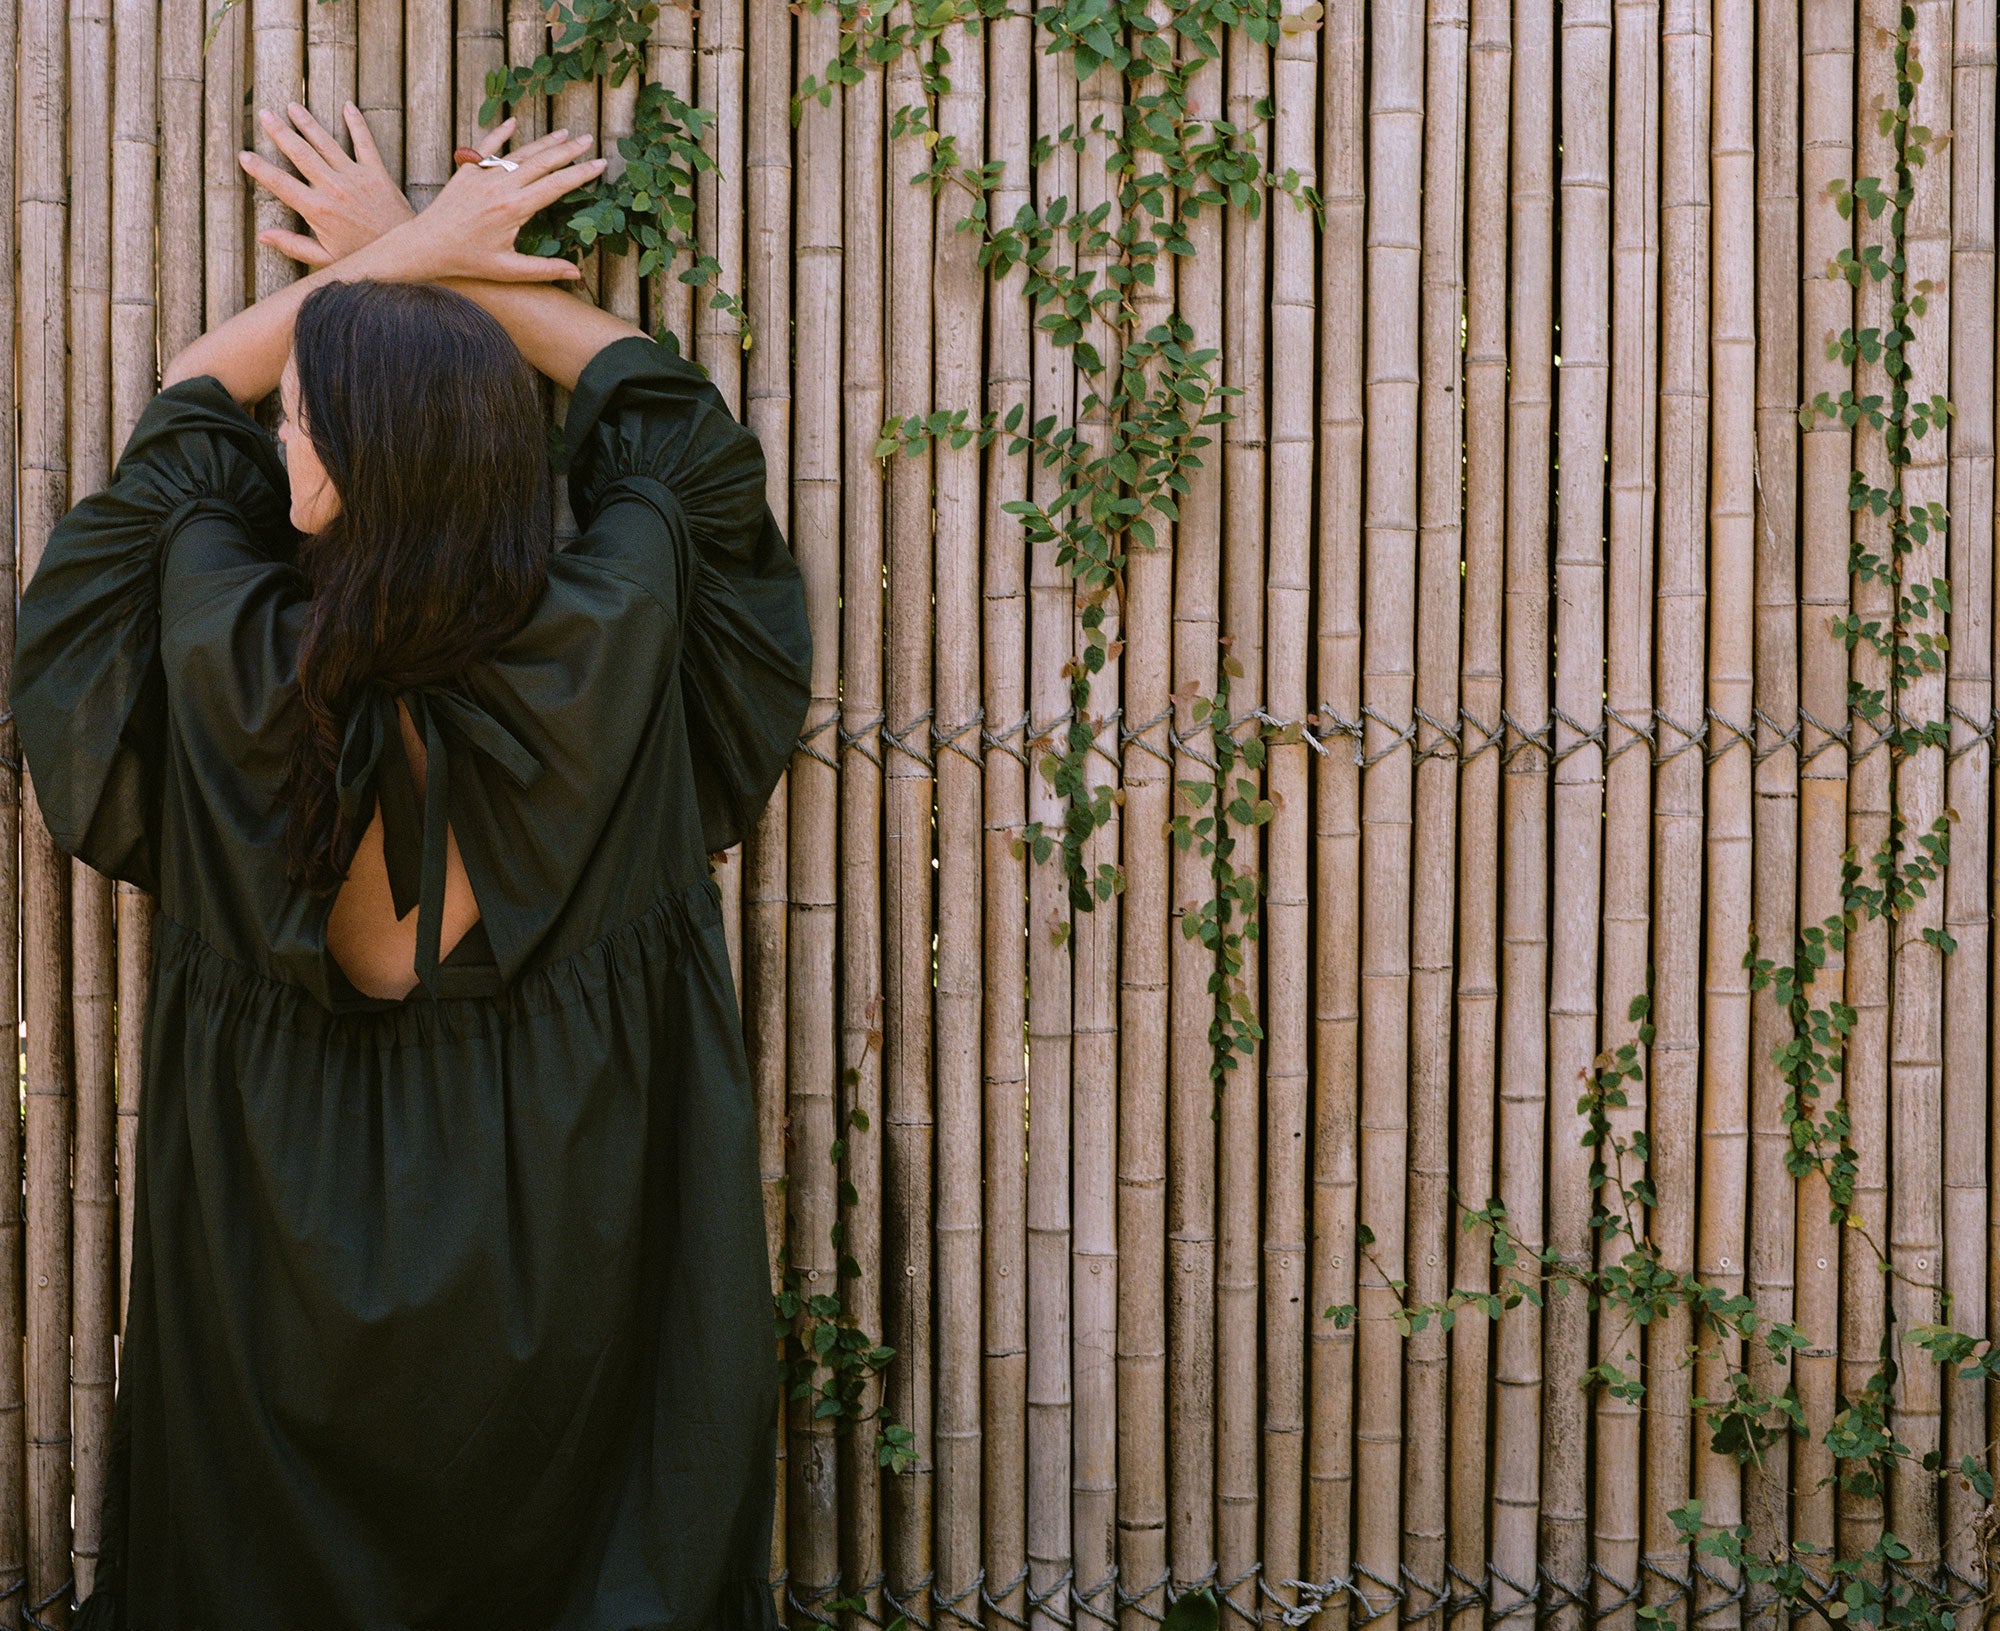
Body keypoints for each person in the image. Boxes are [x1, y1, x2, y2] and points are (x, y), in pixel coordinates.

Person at [11, 102, 811, 1628]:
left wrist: (396, 260)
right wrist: (440, 270)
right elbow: (678, 431)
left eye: (306, 417)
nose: (279, 434)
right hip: (577, 1240)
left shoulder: (217, 645)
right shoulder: (623, 628)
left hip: (271, 1280)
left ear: (354, 458)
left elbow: (185, 416)